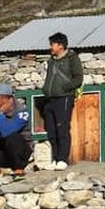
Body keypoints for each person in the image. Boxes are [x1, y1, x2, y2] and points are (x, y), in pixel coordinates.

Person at [41, 31, 83, 170]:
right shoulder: (51, 60)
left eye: (52, 44)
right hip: (49, 99)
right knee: (51, 130)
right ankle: (54, 158)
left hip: (64, 98)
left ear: (60, 45)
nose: (50, 47)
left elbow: (78, 78)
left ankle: (62, 159)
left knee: (62, 129)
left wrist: (66, 88)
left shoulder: (72, 58)